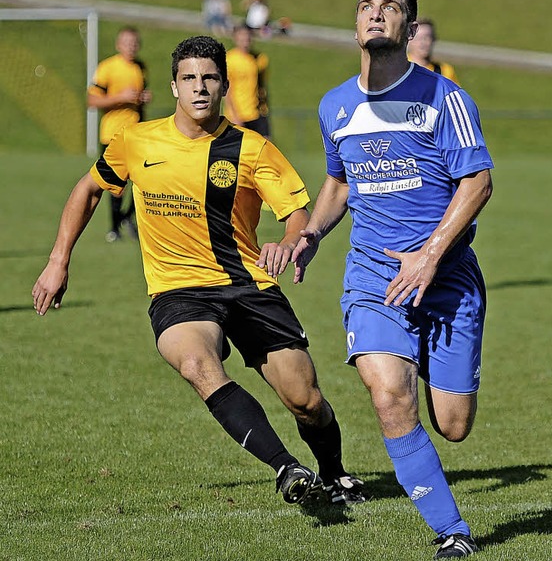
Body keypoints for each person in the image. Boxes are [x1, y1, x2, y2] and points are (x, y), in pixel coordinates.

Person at [33, 35, 365, 509]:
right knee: (196, 364)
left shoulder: (250, 148)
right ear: (173, 86)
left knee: (305, 399)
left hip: (248, 286)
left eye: (209, 77)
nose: (200, 87)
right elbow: (88, 189)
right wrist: (57, 260)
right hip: (177, 291)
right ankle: (286, 467)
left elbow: (295, 212)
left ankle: (333, 473)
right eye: (189, 77)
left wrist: (288, 242)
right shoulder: (137, 140)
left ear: (225, 85)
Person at [292, 0, 493, 559]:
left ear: (409, 26)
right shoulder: (335, 105)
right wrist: (311, 233)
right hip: (374, 277)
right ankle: (452, 533)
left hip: (447, 278)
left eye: (390, 7)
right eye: (366, 6)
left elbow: (477, 181)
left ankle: (430, 351)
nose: (376, 14)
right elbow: (338, 183)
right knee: (388, 396)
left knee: (452, 424)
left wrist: (431, 256)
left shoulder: (443, 98)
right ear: (356, 23)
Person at [87, 26, 152, 243]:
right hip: (112, 133)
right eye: (127, 43)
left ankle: (126, 218)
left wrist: (143, 98)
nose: (131, 47)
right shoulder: (107, 67)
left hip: (137, 133)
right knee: (116, 186)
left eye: (135, 43)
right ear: (118, 45)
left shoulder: (141, 67)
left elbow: (138, 100)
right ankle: (114, 227)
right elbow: (92, 100)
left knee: (145, 180)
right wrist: (120, 97)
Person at [224, 23, 271, 138]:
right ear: (235, 37)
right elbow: (227, 90)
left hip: (258, 113)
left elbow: (262, 85)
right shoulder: (229, 59)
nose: (245, 39)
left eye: (248, 35)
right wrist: (235, 115)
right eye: (242, 35)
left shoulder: (260, 59)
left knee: (266, 147)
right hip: (239, 114)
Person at [407, 18, 460, 85]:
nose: (422, 43)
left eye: (427, 37)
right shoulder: (398, 68)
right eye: (418, 38)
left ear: (434, 39)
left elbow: (454, 93)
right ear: (408, 39)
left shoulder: (445, 71)